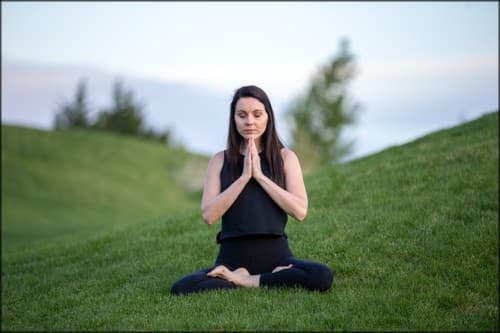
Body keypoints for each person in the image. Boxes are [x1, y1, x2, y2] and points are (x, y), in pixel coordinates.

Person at [170, 85, 333, 295]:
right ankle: (251, 277)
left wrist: (260, 177)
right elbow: (209, 215)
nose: (250, 122)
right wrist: (244, 177)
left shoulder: (286, 158)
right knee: (181, 288)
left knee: (322, 276)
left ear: (268, 117)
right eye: (242, 115)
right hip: (231, 260)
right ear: (234, 119)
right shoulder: (219, 160)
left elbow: (300, 211)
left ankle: (245, 281)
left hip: (278, 258)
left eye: (257, 114)